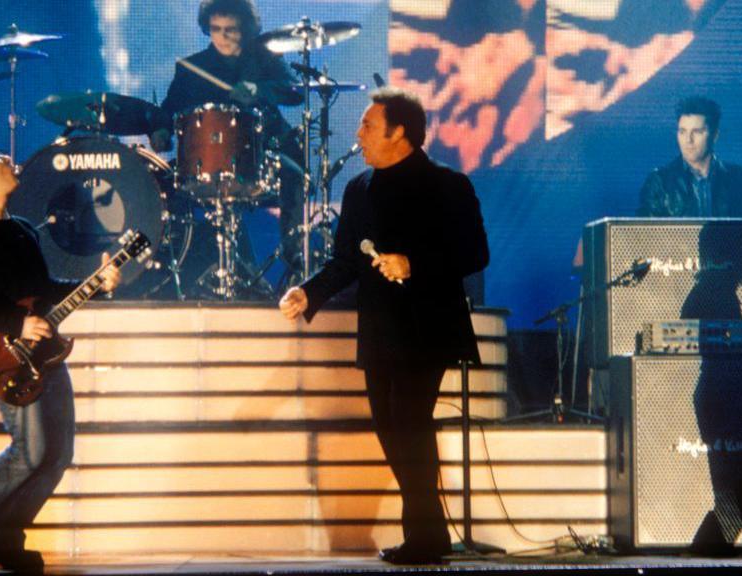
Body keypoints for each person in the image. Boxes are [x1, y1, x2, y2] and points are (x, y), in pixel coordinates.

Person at [279, 87, 489, 565]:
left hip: (427, 327)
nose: (359, 134)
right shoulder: (359, 190)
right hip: (379, 329)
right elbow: (345, 262)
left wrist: (412, 264)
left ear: (401, 135)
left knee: (411, 423)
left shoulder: (448, 186)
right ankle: (428, 531)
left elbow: (475, 253)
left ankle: (424, 535)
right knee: (390, 428)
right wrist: (309, 292)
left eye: (369, 126)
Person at [0, 139, 121, 571]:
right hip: (6, 354)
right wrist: (13, 324)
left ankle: (4, 538)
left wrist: (97, 286)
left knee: (56, 455)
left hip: (46, 354)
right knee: (30, 452)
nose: (7, 160)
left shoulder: (20, 227)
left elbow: (44, 292)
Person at [150, 0, 305, 277]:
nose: (223, 36)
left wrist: (260, 89)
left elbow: (295, 91)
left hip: (260, 155)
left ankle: (295, 263)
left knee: (293, 176)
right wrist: (159, 131)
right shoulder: (191, 67)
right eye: (216, 29)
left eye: (231, 29)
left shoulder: (265, 58)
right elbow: (168, 110)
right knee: (159, 184)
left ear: (246, 28)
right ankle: (168, 266)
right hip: (205, 160)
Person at [638, 96, 742, 217]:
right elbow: (646, 234)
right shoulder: (660, 182)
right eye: (682, 132)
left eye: (697, 132)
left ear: (715, 135)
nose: (688, 140)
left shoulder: (737, 178)